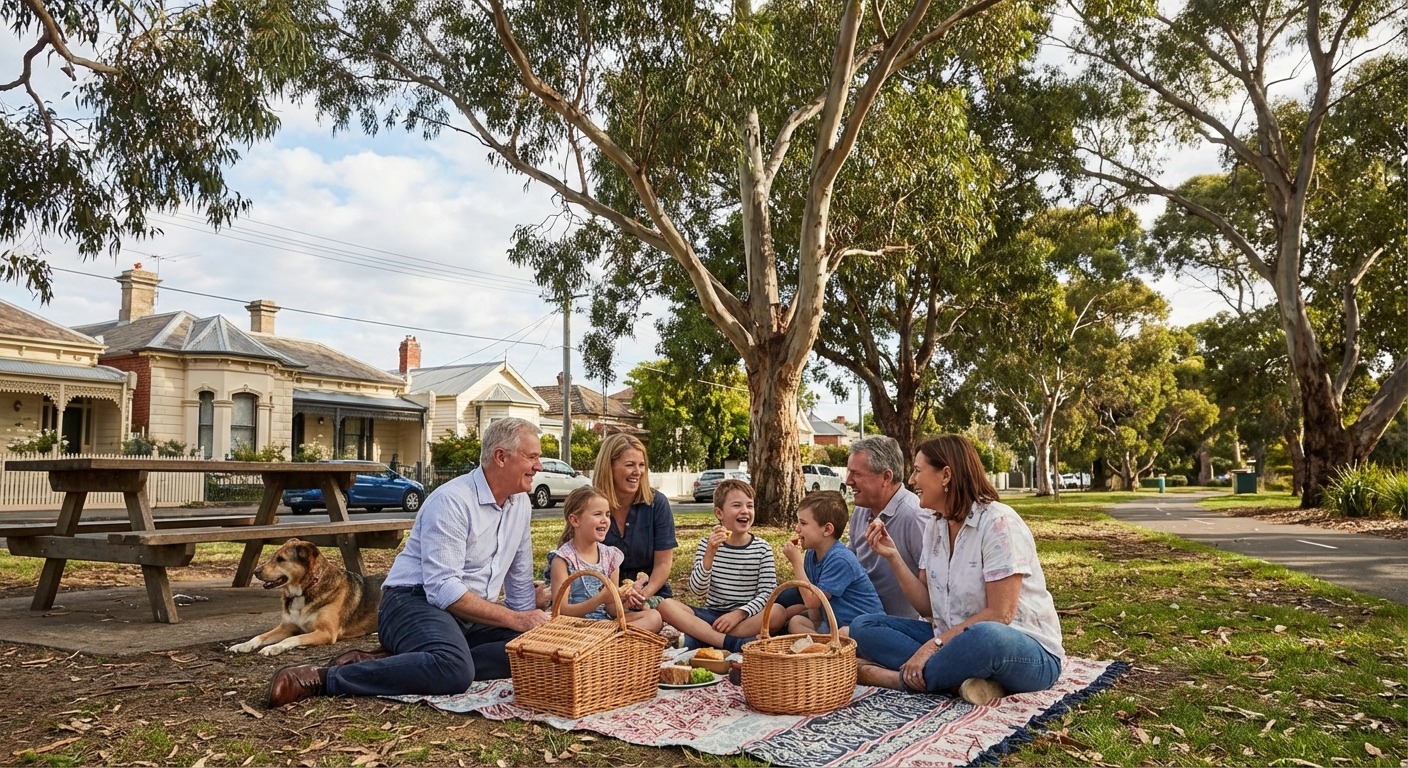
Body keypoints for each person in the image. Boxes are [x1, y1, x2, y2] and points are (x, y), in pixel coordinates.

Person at [264, 417, 552, 708]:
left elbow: (519, 579)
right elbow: (444, 590)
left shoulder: (520, 505)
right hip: (412, 602)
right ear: (501, 457)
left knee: (534, 651)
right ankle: (323, 678)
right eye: (532, 457)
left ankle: (409, 661)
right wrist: (516, 619)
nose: (538, 466)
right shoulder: (453, 501)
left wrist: (528, 625)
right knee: (455, 670)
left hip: (470, 614)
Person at [849, 434, 1064, 707]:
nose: (912, 480)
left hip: (1022, 647)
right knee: (864, 626)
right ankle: (961, 680)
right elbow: (927, 607)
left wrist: (932, 646)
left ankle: (894, 678)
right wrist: (892, 557)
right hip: (951, 637)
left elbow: (1001, 615)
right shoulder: (935, 525)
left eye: (917, 471)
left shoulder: (999, 523)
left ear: (946, 475)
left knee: (985, 637)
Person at [656, 478, 784, 652]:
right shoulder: (706, 545)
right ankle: (733, 643)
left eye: (750, 505)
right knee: (664, 604)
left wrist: (739, 614)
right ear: (719, 513)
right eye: (737, 505)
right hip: (712, 616)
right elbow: (697, 590)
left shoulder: (762, 548)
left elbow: (767, 593)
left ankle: (706, 638)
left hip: (746, 617)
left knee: (777, 612)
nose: (745, 511)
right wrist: (710, 553)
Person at [545, 486, 663, 632]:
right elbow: (561, 611)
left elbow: (612, 609)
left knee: (654, 617)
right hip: (575, 627)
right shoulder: (563, 559)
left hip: (605, 625)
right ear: (575, 520)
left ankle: (608, 641)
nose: (605, 520)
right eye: (597, 514)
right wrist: (599, 599)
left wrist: (625, 602)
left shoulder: (611, 556)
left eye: (607, 515)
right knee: (615, 631)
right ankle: (612, 641)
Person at [845, 435, 927, 620]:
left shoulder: (914, 516)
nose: (848, 481)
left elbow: (933, 592)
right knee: (790, 600)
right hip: (855, 611)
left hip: (895, 623)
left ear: (886, 477)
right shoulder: (861, 510)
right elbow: (851, 562)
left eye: (856, 474)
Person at [781, 491, 883, 635]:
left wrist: (796, 563)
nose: (797, 528)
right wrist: (816, 623)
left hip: (863, 627)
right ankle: (823, 647)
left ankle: (826, 650)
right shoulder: (811, 554)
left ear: (827, 529)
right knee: (796, 621)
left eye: (803, 523)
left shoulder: (840, 559)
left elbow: (812, 601)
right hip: (832, 624)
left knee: (843, 633)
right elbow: (813, 603)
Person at [595, 433, 677, 611]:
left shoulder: (657, 504)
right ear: (610, 467)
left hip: (650, 592)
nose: (637, 472)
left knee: (656, 613)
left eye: (641, 465)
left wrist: (643, 594)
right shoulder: (588, 504)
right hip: (602, 596)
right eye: (630, 465)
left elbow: (663, 563)